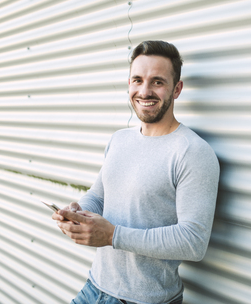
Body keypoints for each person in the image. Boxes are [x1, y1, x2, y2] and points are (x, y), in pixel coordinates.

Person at [52, 40, 220, 304]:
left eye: (157, 82)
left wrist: (112, 235)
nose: (145, 91)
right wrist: (77, 210)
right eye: (137, 80)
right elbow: (99, 195)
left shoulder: (193, 152)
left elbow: (193, 241)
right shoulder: (119, 139)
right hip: (94, 287)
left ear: (176, 89)